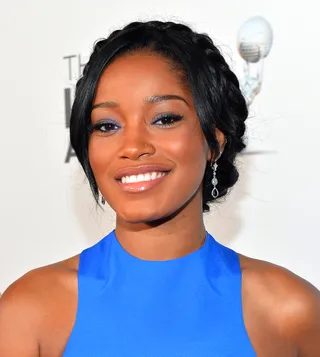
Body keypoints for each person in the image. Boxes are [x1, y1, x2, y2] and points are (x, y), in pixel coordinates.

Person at [0, 20, 319, 357]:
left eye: (164, 118)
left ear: (215, 141)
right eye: (107, 125)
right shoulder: (28, 311)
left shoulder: (291, 312)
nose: (133, 146)